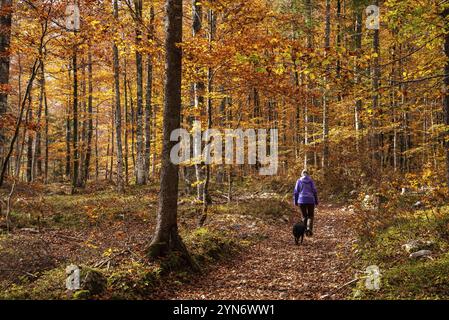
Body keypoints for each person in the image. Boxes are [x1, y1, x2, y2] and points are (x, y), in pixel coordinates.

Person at [293, 169, 318, 236]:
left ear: (302, 174)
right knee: (310, 216)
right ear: (308, 174)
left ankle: (303, 231)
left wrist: (295, 201)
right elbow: (314, 191)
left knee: (304, 216)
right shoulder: (311, 181)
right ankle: (309, 230)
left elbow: (296, 192)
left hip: (301, 200)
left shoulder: (299, 181)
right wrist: (316, 201)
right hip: (310, 200)